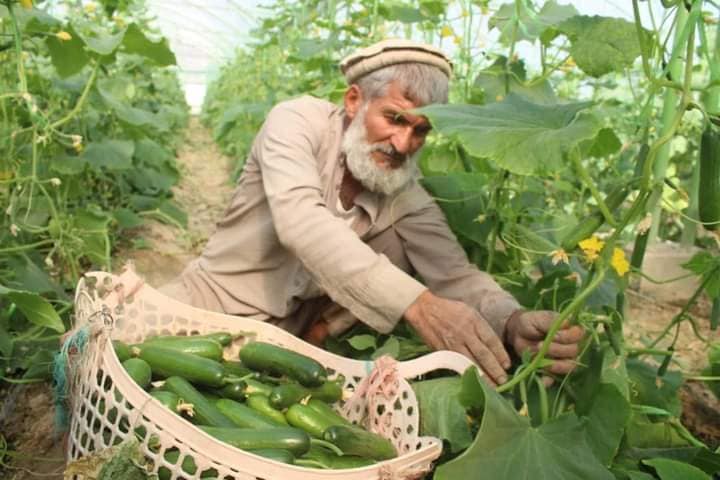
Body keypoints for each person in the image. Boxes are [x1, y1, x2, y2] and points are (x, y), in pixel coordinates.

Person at [161, 39, 583, 386]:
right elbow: (301, 222)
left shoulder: (402, 190)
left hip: (283, 348)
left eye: (420, 130)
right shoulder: (295, 123)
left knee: (402, 239)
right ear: (353, 100)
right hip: (202, 313)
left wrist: (510, 320)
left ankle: (317, 342)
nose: (402, 144)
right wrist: (417, 305)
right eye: (394, 118)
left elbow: (454, 274)